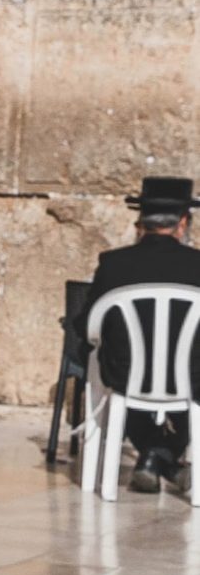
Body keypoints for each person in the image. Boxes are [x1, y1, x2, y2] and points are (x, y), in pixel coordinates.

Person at [90, 175, 200, 496]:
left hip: (126, 375)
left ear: (141, 223)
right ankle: (163, 457)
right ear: (183, 223)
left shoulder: (112, 263)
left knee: (112, 372)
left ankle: (152, 455)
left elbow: (89, 325)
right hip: (193, 378)